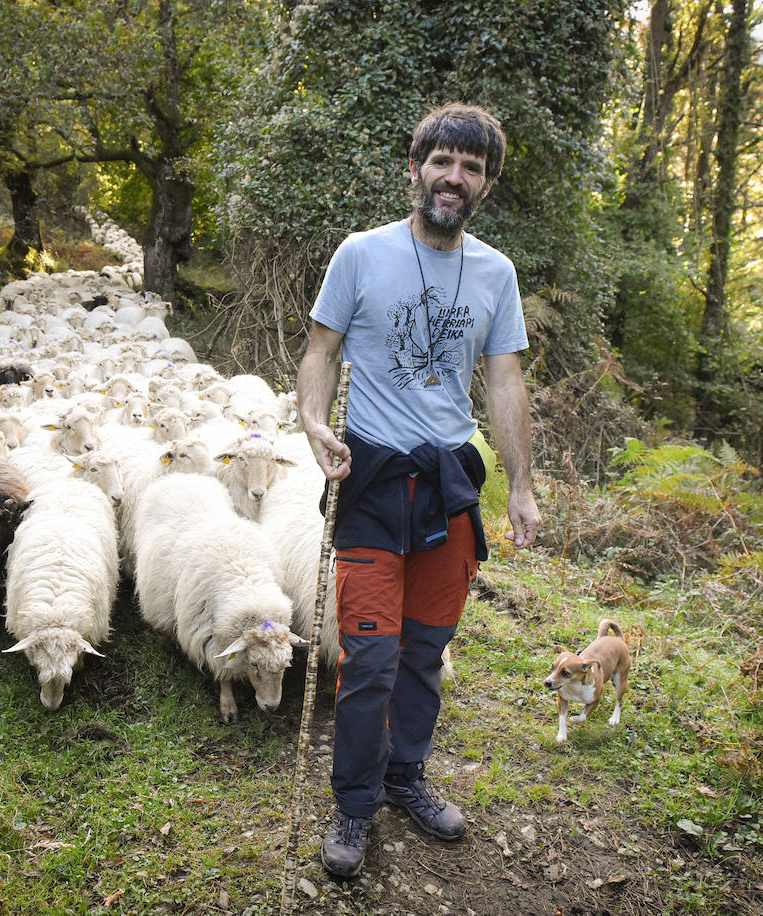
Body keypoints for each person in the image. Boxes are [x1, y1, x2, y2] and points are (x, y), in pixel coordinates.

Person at [296, 102, 541, 879]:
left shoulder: (496, 274)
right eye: (443, 161)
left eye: (471, 168)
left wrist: (522, 488)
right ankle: (355, 806)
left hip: (447, 488)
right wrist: (309, 419)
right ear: (416, 168)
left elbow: (505, 381)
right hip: (371, 480)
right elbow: (321, 351)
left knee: (425, 653)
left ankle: (406, 779)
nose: (454, 177)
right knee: (370, 658)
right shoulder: (361, 255)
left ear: (486, 186)